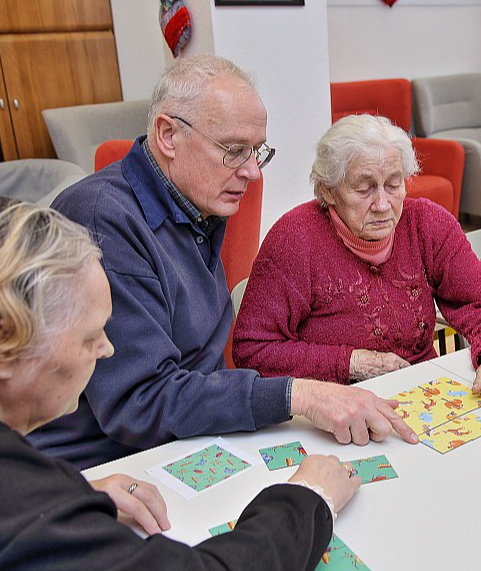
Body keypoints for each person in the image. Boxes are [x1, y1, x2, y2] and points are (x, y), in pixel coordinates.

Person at [0, 196, 361, 571]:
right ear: (4, 341)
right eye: (90, 336)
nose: (109, 350)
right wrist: (307, 498)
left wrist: (71, 493)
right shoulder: (1, 507)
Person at [28, 55, 415, 469]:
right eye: (233, 151)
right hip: (108, 465)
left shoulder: (198, 201)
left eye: (256, 152)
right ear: (168, 135)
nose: (251, 171)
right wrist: (300, 395)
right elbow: (141, 404)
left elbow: (201, 368)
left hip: (191, 440)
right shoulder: (102, 218)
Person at [233, 114, 481, 418]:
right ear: (328, 190)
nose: (383, 205)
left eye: (394, 185)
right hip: (327, 414)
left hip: (420, 400)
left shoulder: (426, 223)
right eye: (364, 188)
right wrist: (353, 362)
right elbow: (253, 349)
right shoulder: (295, 238)